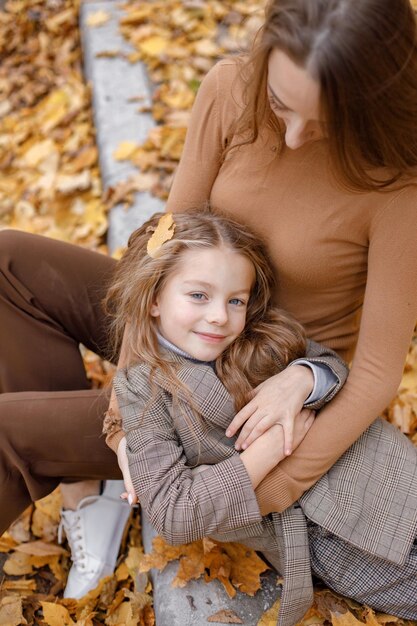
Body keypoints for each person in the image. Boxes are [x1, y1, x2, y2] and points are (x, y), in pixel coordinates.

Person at [1, 0, 417, 601]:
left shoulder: (397, 186)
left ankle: (73, 466)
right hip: (191, 312)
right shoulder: (230, 89)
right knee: (11, 262)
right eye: (281, 105)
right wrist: (124, 420)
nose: (296, 137)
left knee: (9, 433)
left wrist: (266, 490)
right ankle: (86, 493)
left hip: (248, 397)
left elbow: (378, 374)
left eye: (326, 121)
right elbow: (163, 252)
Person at [106, 210, 417, 626]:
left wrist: (303, 378)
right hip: (332, 539)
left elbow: (332, 366)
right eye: (198, 296)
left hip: (387, 470)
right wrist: (267, 452)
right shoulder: (141, 390)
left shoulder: (259, 335)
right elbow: (174, 513)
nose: (220, 315)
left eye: (235, 300)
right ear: (154, 297)